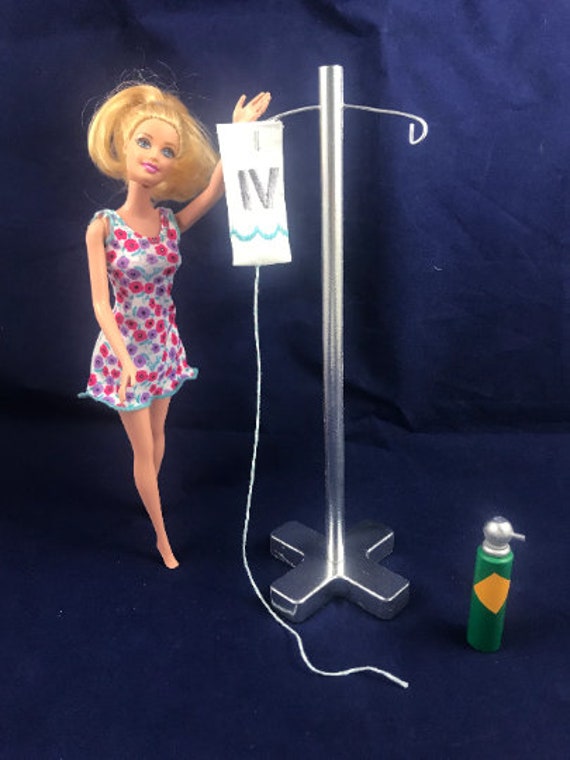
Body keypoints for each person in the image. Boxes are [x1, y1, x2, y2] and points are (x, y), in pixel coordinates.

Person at [79, 82, 271, 568]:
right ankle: (162, 536)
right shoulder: (103, 227)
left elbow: (214, 190)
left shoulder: (169, 223)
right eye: (144, 143)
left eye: (167, 151)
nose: (154, 156)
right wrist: (124, 360)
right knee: (143, 449)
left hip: (163, 345)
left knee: (158, 437)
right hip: (126, 351)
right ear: (123, 145)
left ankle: (149, 496)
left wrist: (236, 133)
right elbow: (100, 303)